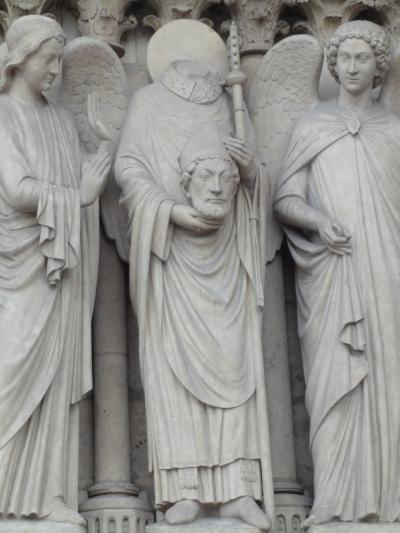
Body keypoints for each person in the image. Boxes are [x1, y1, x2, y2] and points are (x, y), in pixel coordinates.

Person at [115, 58, 274, 529]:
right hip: (173, 255)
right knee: (174, 368)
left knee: (236, 364)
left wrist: (250, 170)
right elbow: (127, 166)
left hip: (228, 255)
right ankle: (184, 489)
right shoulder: (148, 102)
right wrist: (169, 211)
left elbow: (257, 176)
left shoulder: (229, 102)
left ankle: (239, 488)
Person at [274, 20, 400, 527]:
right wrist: (319, 221)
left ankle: (388, 500)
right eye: (344, 57)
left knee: (388, 377)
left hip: (387, 268)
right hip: (331, 272)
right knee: (331, 379)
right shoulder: (312, 125)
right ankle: (333, 499)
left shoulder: (395, 130)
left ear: (379, 67)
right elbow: (285, 198)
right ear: (333, 65)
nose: (351, 67)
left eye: (362, 58)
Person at [0, 15, 112, 526]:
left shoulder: (63, 123)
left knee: (53, 380)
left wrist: (102, 153)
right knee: (12, 371)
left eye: (60, 62)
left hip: (58, 270)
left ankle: (47, 494)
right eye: (49, 60)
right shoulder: (3, 116)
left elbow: (80, 186)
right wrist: (79, 196)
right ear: (22, 58)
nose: (55, 71)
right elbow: (17, 190)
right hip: (18, 268)